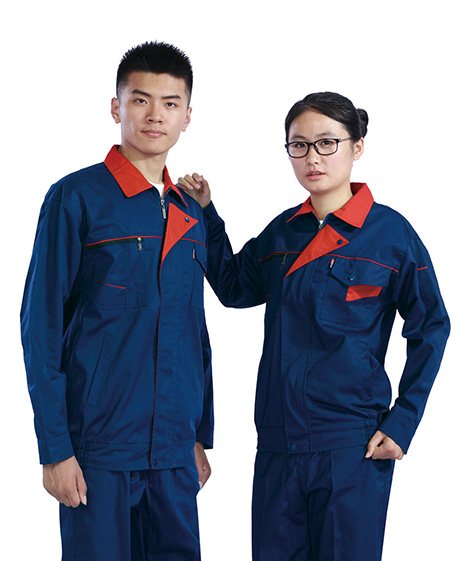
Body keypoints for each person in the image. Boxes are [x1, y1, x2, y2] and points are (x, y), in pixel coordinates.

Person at [178, 91, 450, 561]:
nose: (312, 158)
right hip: (277, 444)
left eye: (327, 143)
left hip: (351, 446)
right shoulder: (284, 232)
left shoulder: (390, 235)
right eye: (299, 145)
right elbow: (234, 287)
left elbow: (433, 326)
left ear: (357, 146)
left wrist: (403, 421)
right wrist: (206, 214)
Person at [20, 41, 213, 561]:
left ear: (187, 116)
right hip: (99, 449)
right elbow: (40, 326)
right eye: (140, 100)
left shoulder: (189, 210)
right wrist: (55, 448)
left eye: (171, 103)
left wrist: (198, 435)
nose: (155, 115)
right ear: (116, 107)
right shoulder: (76, 197)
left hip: (174, 449)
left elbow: (193, 331)